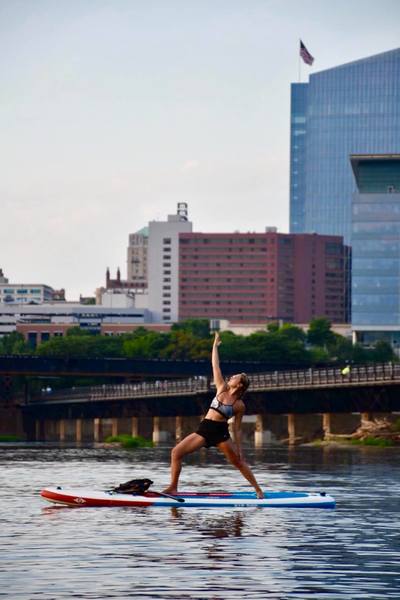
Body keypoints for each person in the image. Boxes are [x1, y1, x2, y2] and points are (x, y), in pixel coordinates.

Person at [163, 332, 264, 498]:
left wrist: (240, 449)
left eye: (235, 377)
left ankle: (258, 490)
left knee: (238, 462)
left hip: (220, 433)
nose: (231, 377)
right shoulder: (221, 388)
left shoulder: (239, 405)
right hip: (204, 429)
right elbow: (215, 365)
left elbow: (237, 428)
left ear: (239, 385)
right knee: (176, 453)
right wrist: (215, 345)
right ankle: (173, 487)